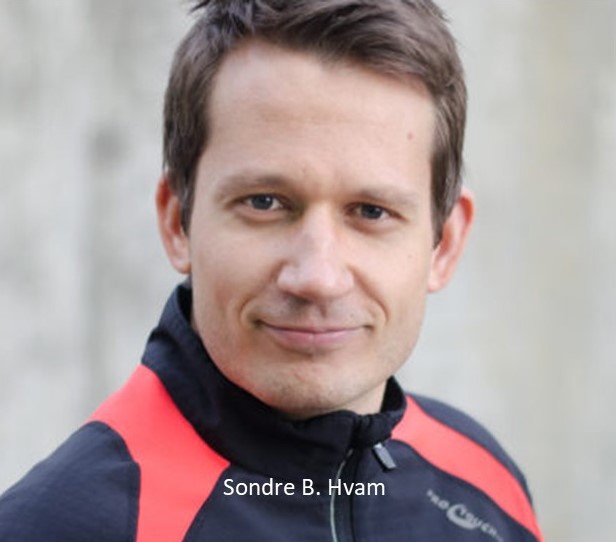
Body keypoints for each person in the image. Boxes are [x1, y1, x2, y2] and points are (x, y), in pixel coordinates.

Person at [0, 1, 544, 540]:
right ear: (176, 223)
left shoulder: (487, 488)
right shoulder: (56, 527)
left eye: (371, 212)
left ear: (444, 244)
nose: (317, 277)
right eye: (264, 202)